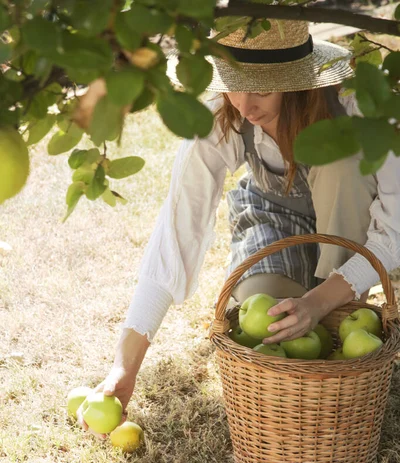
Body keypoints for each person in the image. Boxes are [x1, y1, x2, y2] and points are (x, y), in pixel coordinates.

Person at [78, 19, 400, 434]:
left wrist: (319, 302)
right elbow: (176, 235)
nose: (245, 107)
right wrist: (125, 368)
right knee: (268, 319)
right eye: (234, 84)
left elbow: (394, 231)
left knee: (339, 166)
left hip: (348, 220)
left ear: (295, 79)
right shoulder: (221, 119)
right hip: (273, 214)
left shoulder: (356, 106)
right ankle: (317, 322)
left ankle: (341, 311)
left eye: (262, 89)